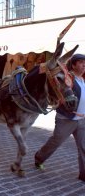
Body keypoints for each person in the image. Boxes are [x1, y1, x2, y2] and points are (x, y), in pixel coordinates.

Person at [34, 53, 85, 182]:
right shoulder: (68, 79)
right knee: (56, 142)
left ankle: (83, 174)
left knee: (83, 147)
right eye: (80, 62)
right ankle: (39, 157)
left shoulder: (83, 80)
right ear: (73, 65)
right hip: (66, 119)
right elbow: (59, 93)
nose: (84, 64)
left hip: (82, 120)